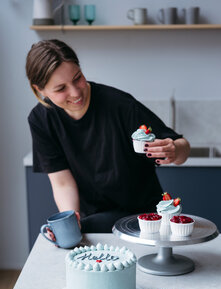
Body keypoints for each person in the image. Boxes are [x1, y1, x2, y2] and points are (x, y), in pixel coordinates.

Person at [26, 39, 190, 233]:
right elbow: (62, 182)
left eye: (78, 77)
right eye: (61, 88)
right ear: (39, 89)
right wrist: (71, 220)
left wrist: (174, 150)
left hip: (145, 220)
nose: (76, 92)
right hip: (93, 221)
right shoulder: (41, 120)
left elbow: (183, 148)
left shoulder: (120, 105)